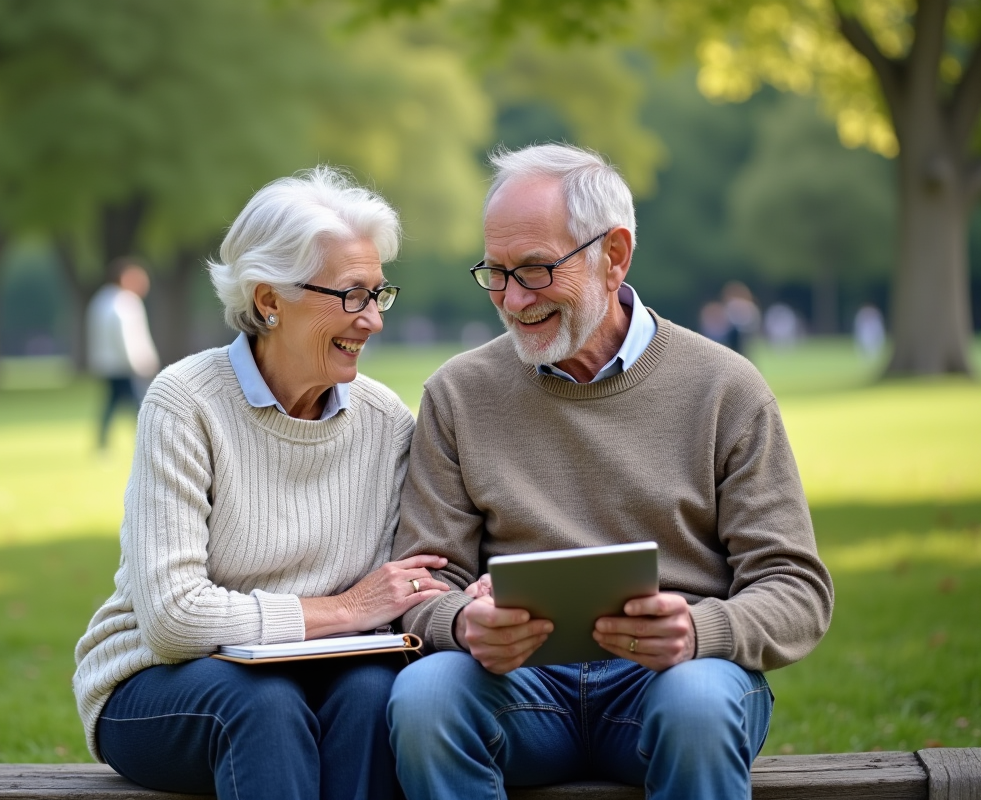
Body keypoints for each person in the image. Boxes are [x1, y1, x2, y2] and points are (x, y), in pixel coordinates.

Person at [387, 144, 834, 800]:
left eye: (536, 270)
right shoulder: (458, 393)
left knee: (698, 705)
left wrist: (702, 630)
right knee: (425, 696)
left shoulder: (724, 388)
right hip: (518, 689)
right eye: (496, 273)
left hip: (675, 681)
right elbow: (423, 582)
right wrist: (460, 622)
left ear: (615, 255)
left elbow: (796, 589)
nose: (512, 300)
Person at [73, 166, 451, 800]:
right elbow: (173, 619)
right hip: (160, 682)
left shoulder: (387, 422)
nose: (372, 321)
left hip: (324, 677)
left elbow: (398, 601)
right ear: (269, 300)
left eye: (378, 295)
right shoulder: (185, 402)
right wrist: (343, 611)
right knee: (263, 705)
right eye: (350, 295)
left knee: (376, 693)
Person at [86, 259, 161, 449]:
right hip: (125, 364)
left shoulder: (101, 299)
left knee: (113, 403)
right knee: (140, 402)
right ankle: (149, 440)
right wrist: (140, 361)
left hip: (106, 363)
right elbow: (128, 337)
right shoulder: (125, 302)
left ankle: (102, 442)